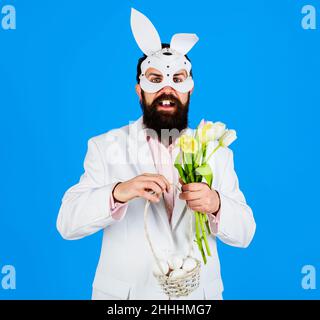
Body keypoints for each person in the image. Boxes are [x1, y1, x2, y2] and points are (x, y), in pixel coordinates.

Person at [56, 8, 256, 300]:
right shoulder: (104, 146)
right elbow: (67, 223)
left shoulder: (216, 151)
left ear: (189, 90)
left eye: (177, 79)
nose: (167, 89)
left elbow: (246, 233)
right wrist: (118, 192)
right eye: (154, 79)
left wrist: (216, 203)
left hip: (196, 299)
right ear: (139, 90)